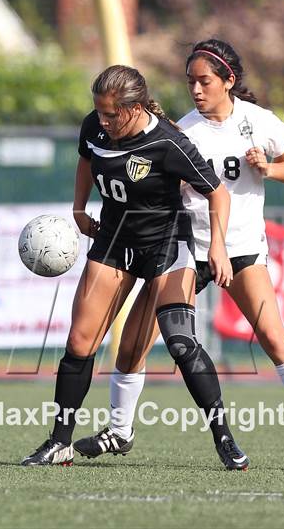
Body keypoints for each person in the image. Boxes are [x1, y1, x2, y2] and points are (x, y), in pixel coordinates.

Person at [78, 39, 284, 468]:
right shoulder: (182, 131)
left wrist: (269, 168)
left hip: (240, 249)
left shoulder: (256, 121)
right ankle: (120, 431)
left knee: (274, 338)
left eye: (204, 82)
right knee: (134, 345)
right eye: (190, 83)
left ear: (229, 81)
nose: (196, 91)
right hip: (187, 247)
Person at [21, 64, 249, 470]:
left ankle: (225, 439)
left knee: (180, 342)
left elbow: (218, 193)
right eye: (100, 113)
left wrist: (216, 246)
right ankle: (59, 442)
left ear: (135, 107)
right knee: (79, 344)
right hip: (113, 242)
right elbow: (86, 161)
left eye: (111, 114)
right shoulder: (94, 127)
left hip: (167, 246)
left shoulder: (168, 142)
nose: (103, 121)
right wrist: (78, 208)